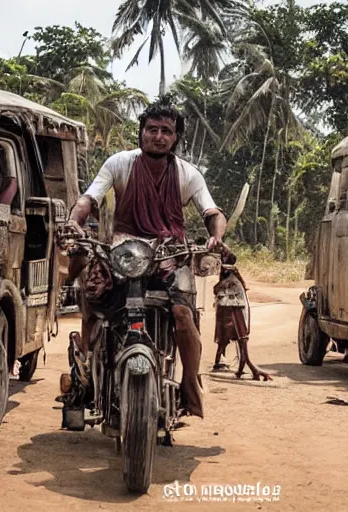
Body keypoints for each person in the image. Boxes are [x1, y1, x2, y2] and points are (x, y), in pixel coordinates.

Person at [62, 96, 229, 419]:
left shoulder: (188, 174)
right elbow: (88, 199)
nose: (158, 136)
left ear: (176, 137)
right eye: (152, 129)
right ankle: (86, 375)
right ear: (140, 133)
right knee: (94, 304)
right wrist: (74, 222)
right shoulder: (119, 163)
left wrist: (216, 236)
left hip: (170, 254)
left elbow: (212, 211)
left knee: (183, 315)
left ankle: (189, 386)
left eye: (166, 131)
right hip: (124, 250)